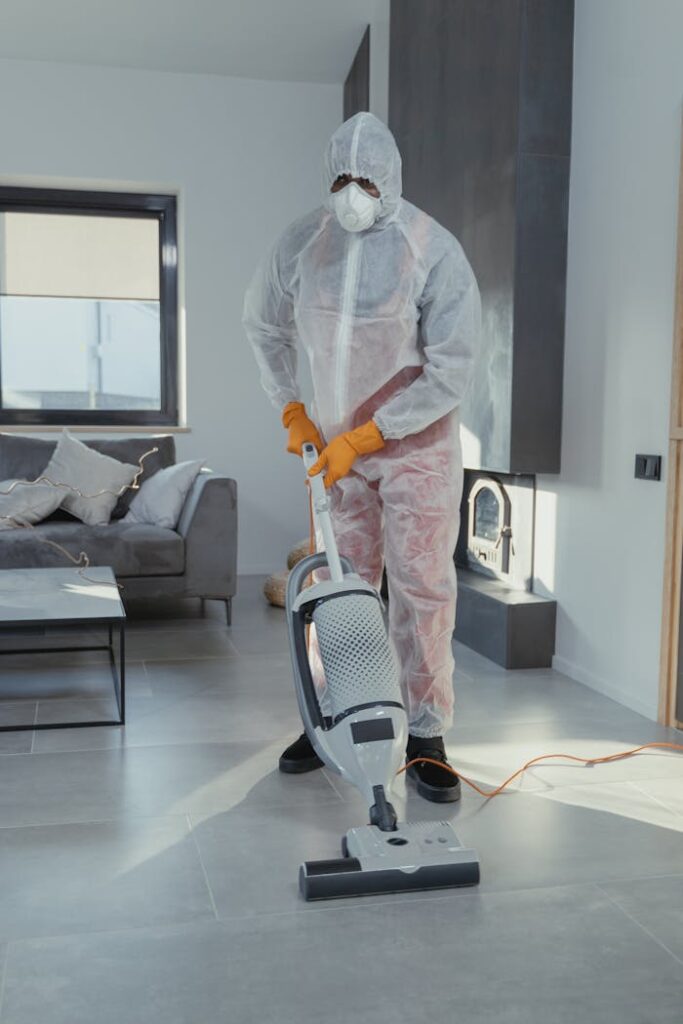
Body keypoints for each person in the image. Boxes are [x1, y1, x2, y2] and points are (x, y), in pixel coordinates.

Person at [243, 112, 480, 803]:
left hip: (417, 452)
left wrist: (372, 434)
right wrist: (292, 407)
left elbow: (452, 369)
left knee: (421, 591)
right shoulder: (302, 242)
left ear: (391, 180)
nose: (352, 192)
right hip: (335, 456)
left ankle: (428, 736)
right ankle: (330, 719)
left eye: (365, 179)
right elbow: (263, 327)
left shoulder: (432, 249)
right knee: (336, 591)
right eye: (341, 179)